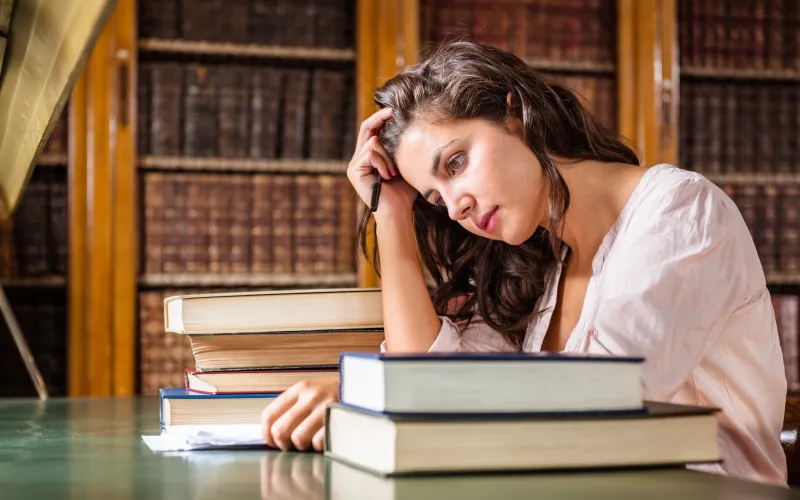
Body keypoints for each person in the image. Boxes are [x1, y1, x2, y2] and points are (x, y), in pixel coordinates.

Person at [261, 41, 787, 486]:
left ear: (516, 114)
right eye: (437, 200)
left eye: (457, 162)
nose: (457, 205)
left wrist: (365, 393)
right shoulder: (542, 265)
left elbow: (602, 402)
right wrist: (393, 213)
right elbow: (427, 374)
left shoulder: (680, 210)